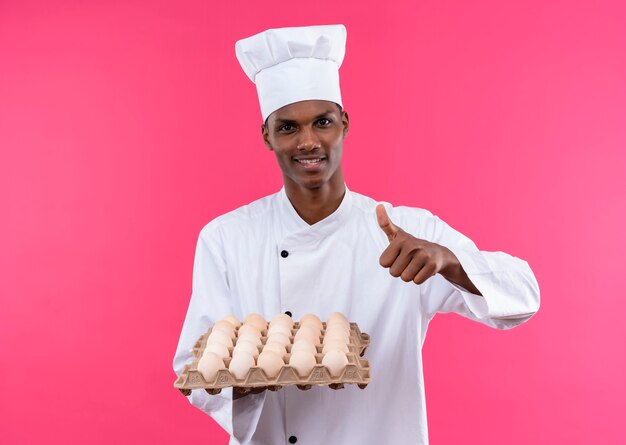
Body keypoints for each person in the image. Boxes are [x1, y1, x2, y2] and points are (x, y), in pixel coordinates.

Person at [173, 24, 540, 445]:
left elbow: (524, 296)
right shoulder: (226, 238)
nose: (308, 142)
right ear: (267, 136)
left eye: (322, 122)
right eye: (288, 127)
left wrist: (450, 262)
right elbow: (197, 365)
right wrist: (252, 377)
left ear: (344, 124)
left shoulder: (408, 233)